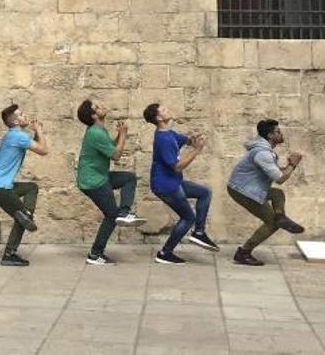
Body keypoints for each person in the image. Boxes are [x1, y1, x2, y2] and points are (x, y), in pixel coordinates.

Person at [142, 103, 219, 266]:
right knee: (187, 217)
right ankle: (165, 253)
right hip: (165, 186)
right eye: (163, 109)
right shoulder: (163, 139)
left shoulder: (169, 134)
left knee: (204, 192)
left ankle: (199, 232)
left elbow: (186, 140)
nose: (167, 109)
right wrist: (197, 150)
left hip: (173, 182)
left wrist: (194, 139)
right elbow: (177, 166)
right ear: (158, 117)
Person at [75, 99, 146, 265]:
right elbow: (115, 155)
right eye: (97, 107)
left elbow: (108, 148)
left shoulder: (99, 130)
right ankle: (95, 254)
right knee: (111, 215)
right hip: (93, 181)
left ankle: (125, 212)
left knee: (128, 178)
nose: (102, 105)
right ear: (94, 115)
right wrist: (123, 135)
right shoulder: (96, 132)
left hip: (100, 176)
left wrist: (118, 136)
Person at [227, 119, 305, 266]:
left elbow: (275, 174)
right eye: (278, 131)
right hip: (242, 190)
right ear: (270, 135)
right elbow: (280, 179)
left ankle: (280, 216)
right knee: (271, 223)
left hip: (247, 186)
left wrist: (288, 166)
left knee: (277, 194)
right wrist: (293, 164)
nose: (281, 133)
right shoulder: (263, 153)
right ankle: (243, 252)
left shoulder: (265, 151)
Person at [0, 104, 49, 267]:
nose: (25, 116)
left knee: (31, 188)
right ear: (15, 122)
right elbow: (43, 150)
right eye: (21, 115)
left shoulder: (14, 135)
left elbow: (32, 145)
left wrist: (35, 132)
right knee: (22, 219)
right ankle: (10, 252)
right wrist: (39, 129)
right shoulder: (17, 136)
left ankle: (25, 215)